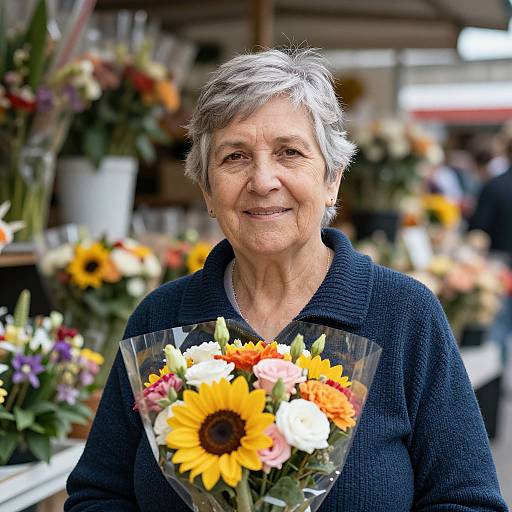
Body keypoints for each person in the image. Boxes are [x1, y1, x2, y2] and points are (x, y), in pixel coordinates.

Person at [65, 49, 507, 511]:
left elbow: (469, 502)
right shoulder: (160, 319)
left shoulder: (404, 315)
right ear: (207, 191)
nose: (262, 180)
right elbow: (97, 495)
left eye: (289, 153)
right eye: (234, 157)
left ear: (332, 178)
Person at [469, 140, 512, 363]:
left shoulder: (495, 185)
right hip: (500, 263)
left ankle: (500, 387)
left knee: (500, 329)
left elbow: (478, 228)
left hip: (500, 263)